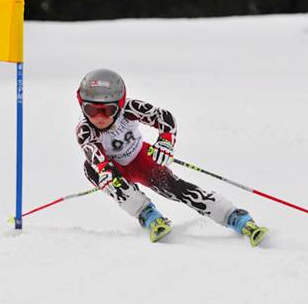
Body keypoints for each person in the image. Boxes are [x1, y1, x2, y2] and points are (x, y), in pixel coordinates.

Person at [75, 68, 268, 245]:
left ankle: (234, 216)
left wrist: (165, 141)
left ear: (120, 104)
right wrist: (105, 171)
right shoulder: (84, 130)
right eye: (91, 110)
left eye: (108, 110)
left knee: (176, 188)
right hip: (113, 168)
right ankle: (148, 214)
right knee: (95, 172)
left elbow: (164, 118)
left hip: (141, 160)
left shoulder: (130, 108)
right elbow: (94, 155)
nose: (99, 117)